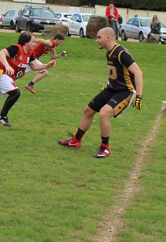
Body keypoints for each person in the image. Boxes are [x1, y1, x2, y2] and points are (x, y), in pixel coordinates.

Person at [58, 27, 143, 158]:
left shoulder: (121, 53)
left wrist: (139, 96)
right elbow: (117, 73)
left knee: (103, 113)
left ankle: (105, 148)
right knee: (88, 110)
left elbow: (138, 72)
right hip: (112, 89)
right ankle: (76, 141)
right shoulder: (109, 52)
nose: (97, 40)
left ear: (108, 37)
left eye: (99, 37)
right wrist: (109, 84)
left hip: (125, 92)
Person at [0, 31, 56, 128]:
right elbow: (1, 53)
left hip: (4, 76)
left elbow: (35, 66)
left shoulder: (29, 53)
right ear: (25, 42)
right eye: (33, 41)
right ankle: (2, 117)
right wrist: (7, 66)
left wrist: (47, 65)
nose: (35, 43)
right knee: (15, 93)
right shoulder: (16, 48)